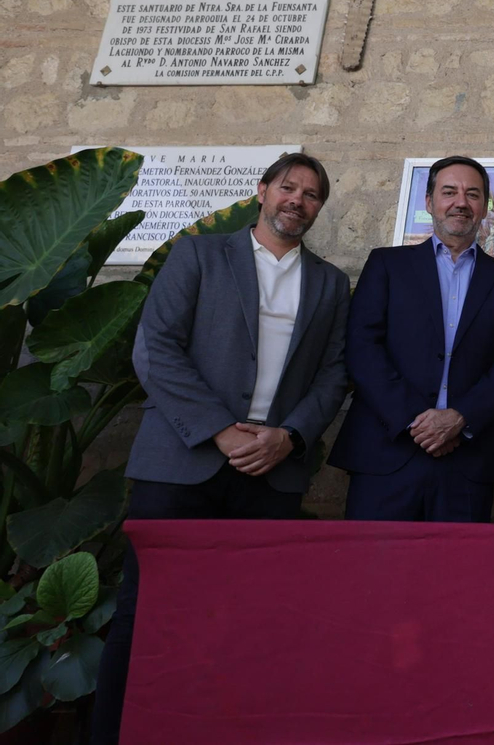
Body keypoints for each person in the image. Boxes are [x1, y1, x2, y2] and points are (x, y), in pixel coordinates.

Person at [95, 152, 350, 745]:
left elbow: (335, 374)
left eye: (311, 195)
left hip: (273, 473)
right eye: (288, 187)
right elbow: (156, 348)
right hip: (181, 465)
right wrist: (220, 429)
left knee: (251, 622)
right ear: (262, 191)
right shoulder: (199, 255)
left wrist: (289, 437)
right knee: (148, 612)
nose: (298, 201)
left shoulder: (331, 284)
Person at [331, 155, 494, 523]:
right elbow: (362, 347)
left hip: (467, 458)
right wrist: (415, 420)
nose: (461, 202)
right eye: (449, 191)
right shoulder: (387, 265)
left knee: (458, 576)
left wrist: (460, 417)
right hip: (386, 452)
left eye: (472, 194)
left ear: (484, 207)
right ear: (429, 202)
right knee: (373, 572)